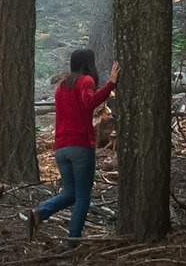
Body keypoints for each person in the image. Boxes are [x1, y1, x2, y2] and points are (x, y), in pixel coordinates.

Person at [29, 48, 120, 247]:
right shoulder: (86, 80)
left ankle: (39, 213)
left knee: (69, 194)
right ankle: (73, 242)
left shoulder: (62, 86)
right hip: (80, 147)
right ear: (89, 63)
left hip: (61, 148)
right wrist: (111, 84)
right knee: (82, 197)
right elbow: (88, 103)